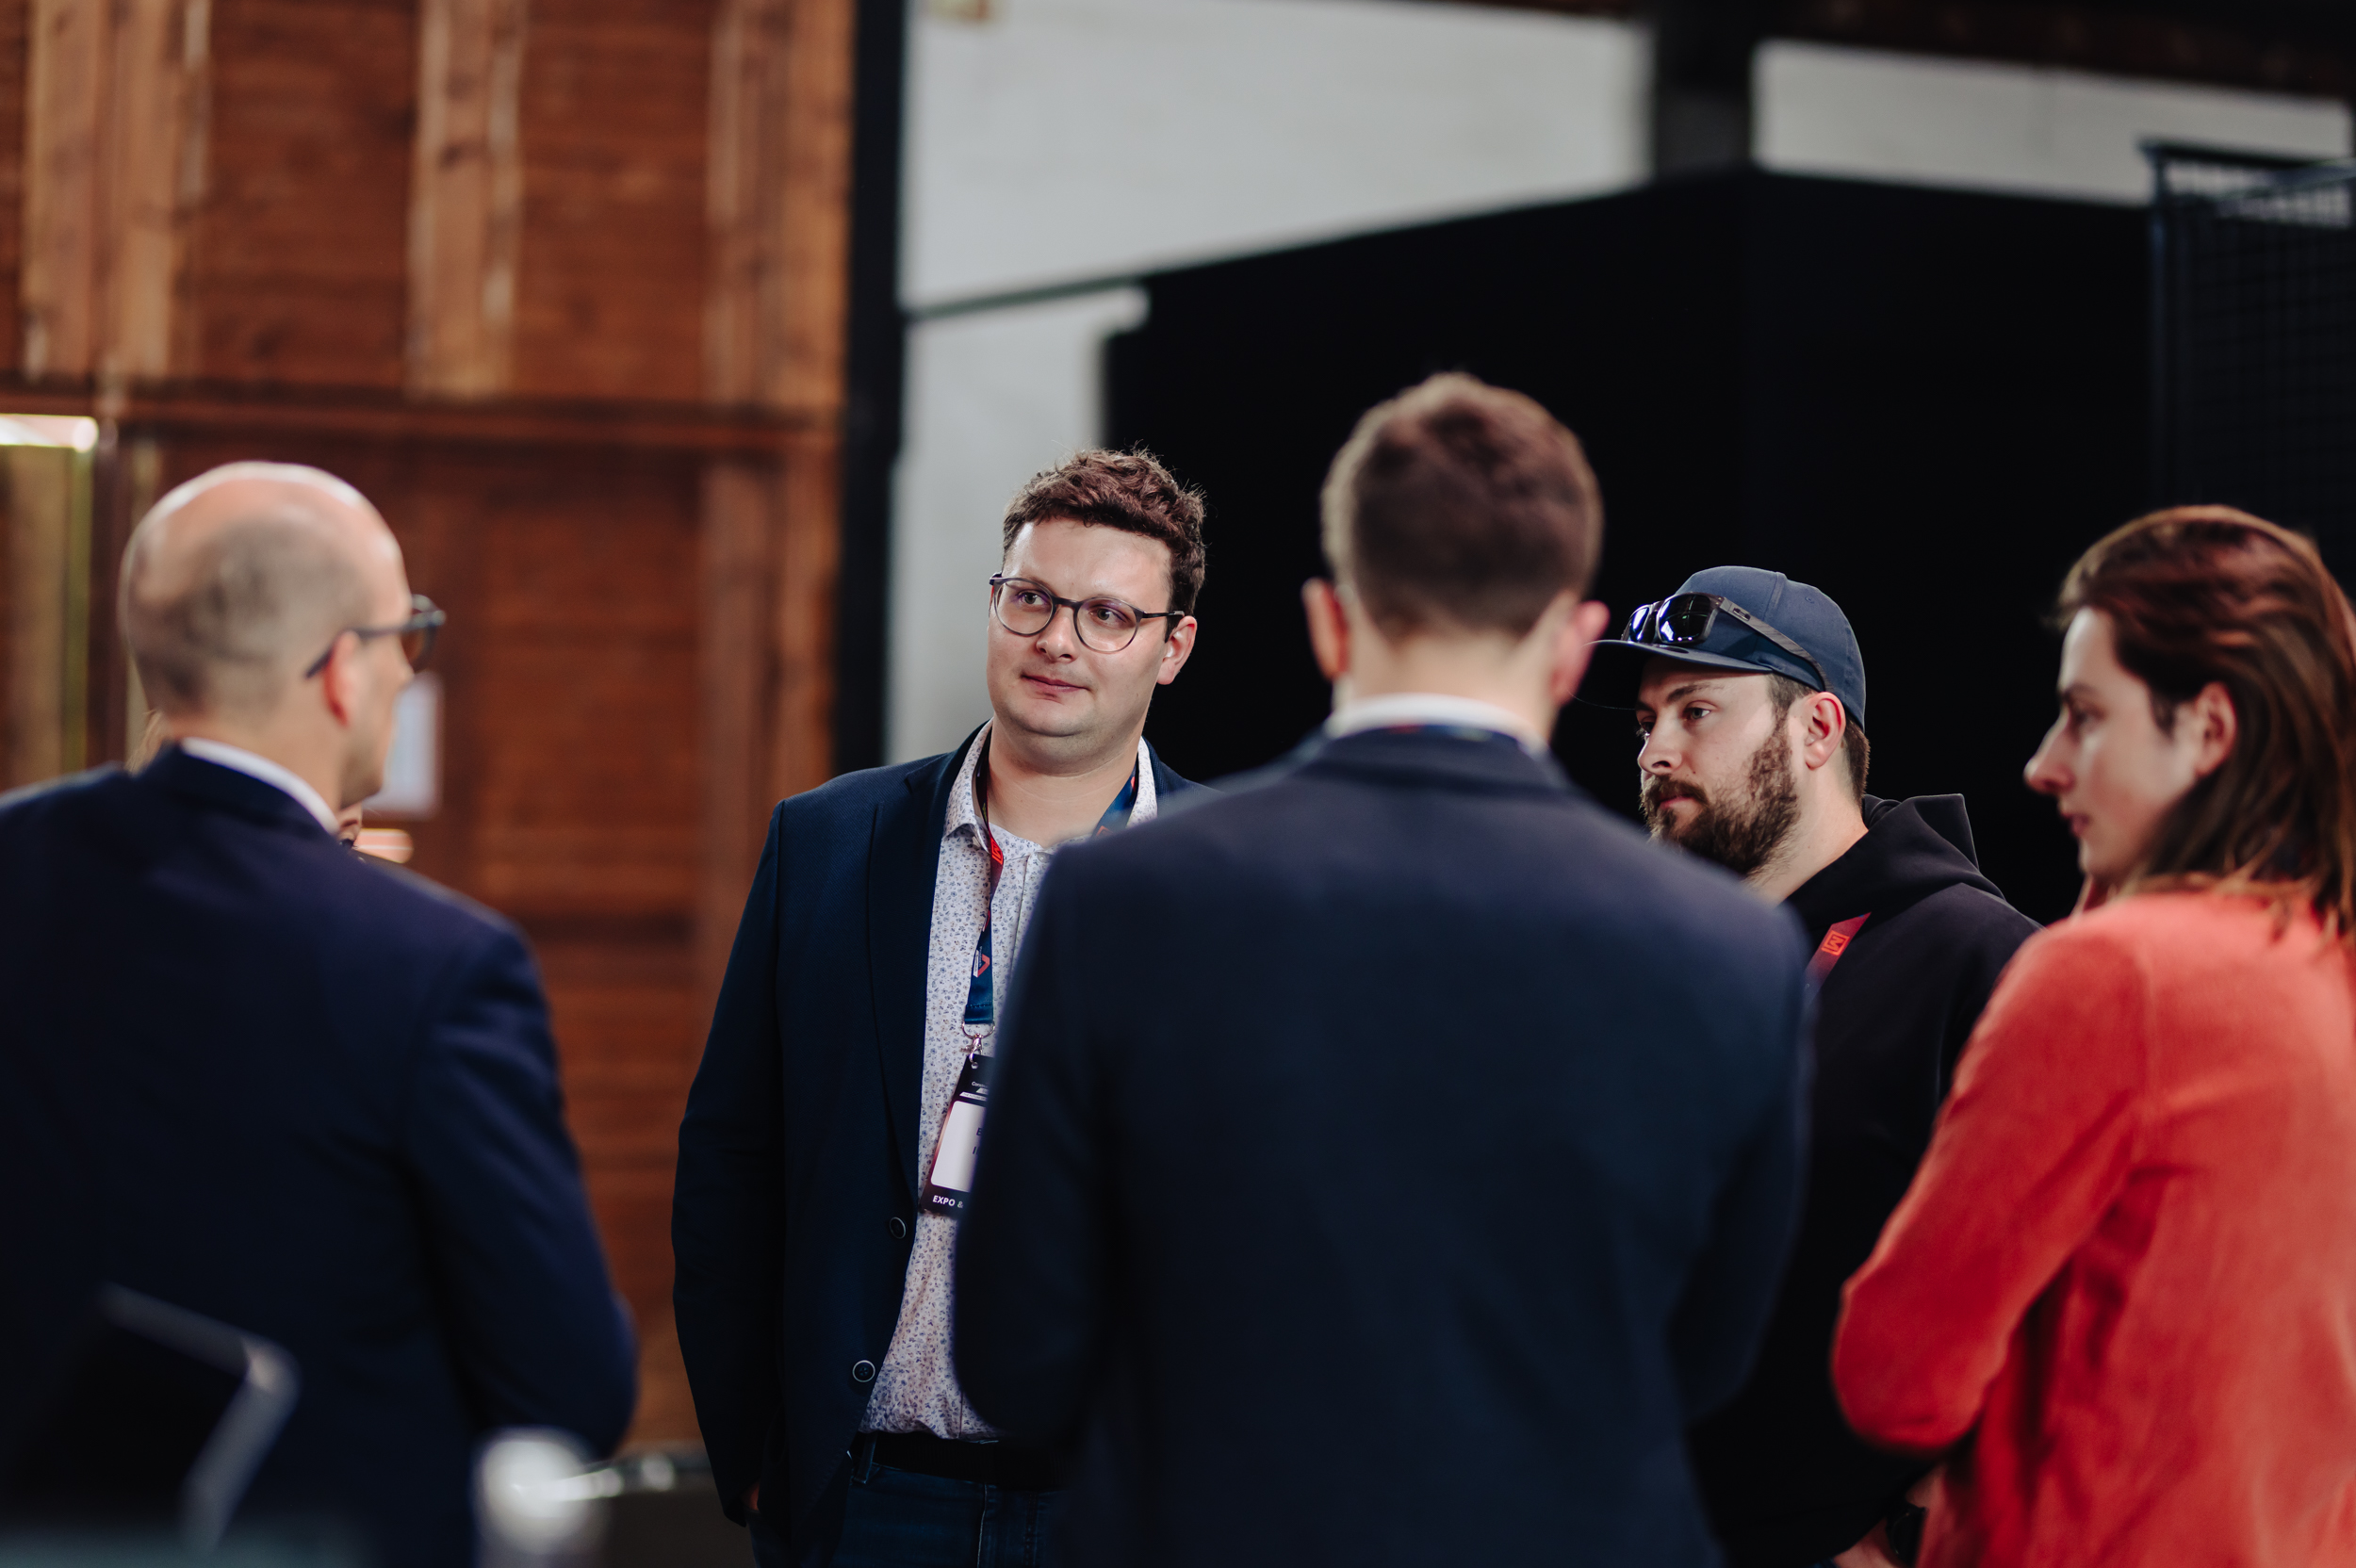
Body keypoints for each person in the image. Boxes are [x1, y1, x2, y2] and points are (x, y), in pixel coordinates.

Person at [954, 375, 1811, 1567]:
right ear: (1573, 645)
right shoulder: (1732, 950)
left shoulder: (1126, 901)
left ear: (1330, 622)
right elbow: (1709, 1357)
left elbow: (1016, 1351)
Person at [0, 463, 635, 1567]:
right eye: (408, 633)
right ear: (343, 667)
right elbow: (569, 1378)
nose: (409, 667)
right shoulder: (432, 962)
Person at [672, 449, 1210, 1568]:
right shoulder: (826, 842)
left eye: (1109, 614)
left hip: (1125, 1508)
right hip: (867, 1496)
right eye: (1032, 598)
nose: (1057, 639)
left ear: (1172, 647)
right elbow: (730, 1157)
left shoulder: (1236, 884)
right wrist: (758, 1450)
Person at [1834, 506, 2356, 1566]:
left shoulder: (2114, 978)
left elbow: (1892, 1374)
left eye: (2084, 716)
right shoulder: (2326, 967)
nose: (2043, 763)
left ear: (2207, 730)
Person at [1584, 569, 2037, 1567]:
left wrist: (1913, 1526)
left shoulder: (1979, 956)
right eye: (1648, 722)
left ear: (1817, 728)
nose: (1655, 751)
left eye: (1696, 710)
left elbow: (2054, 1296)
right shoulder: (1657, 967)